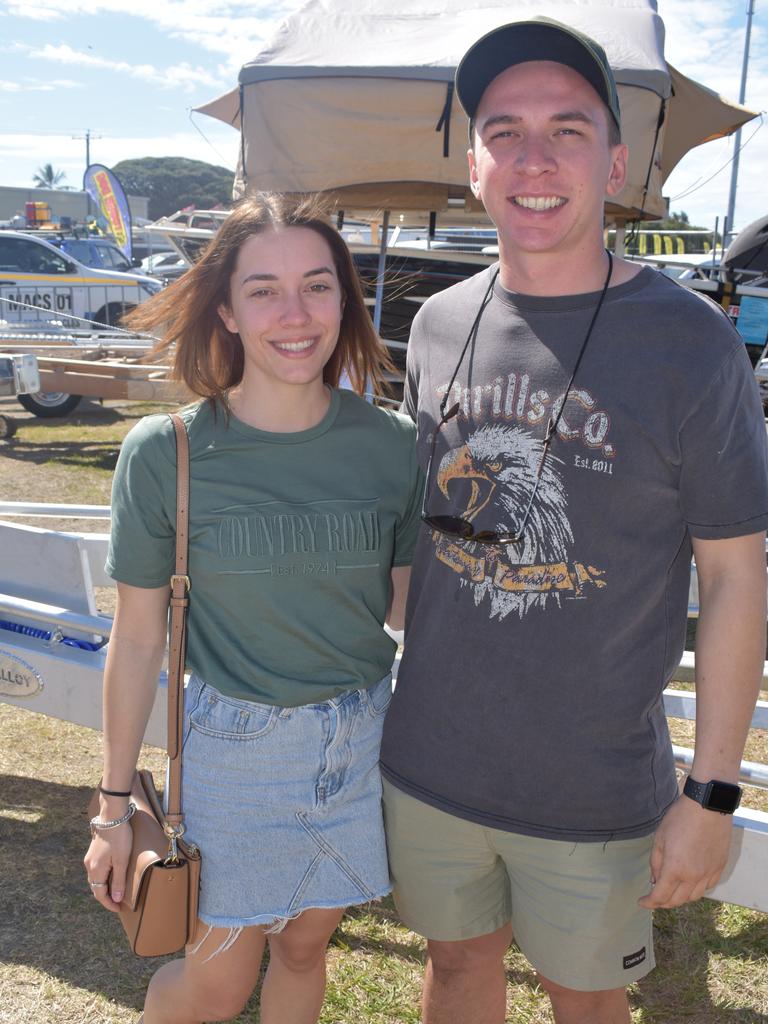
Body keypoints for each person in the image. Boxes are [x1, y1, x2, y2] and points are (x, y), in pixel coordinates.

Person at [379, 17, 768, 1024]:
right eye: (504, 131)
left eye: (568, 128)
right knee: (458, 965)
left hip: (592, 787)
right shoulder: (435, 324)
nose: (534, 157)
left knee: (585, 1000)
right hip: (429, 761)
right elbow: (419, 532)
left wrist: (713, 792)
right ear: (474, 165)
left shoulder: (692, 343)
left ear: (618, 159)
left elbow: (735, 576)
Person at [83, 193, 423, 1024]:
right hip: (236, 752)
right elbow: (134, 644)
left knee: (306, 948)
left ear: (346, 300)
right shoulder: (168, 451)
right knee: (216, 984)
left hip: (360, 738)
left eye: (317, 286)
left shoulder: (393, 445)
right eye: (264, 290)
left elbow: (413, 614)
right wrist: (113, 808)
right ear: (227, 311)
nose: (295, 313)